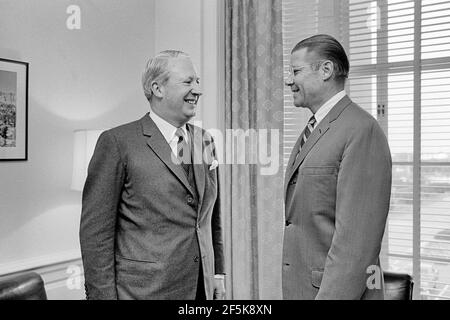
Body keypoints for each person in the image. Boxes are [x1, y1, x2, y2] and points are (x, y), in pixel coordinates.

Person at [80, 50, 225, 300]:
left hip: (201, 289)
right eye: (188, 82)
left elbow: (212, 217)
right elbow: (96, 234)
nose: (197, 90)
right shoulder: (117, 142)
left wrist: (218, 274)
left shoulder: (205, 141)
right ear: (157, 88)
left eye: (197, 82)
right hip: (143, 292)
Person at [283, 34, 392, 299]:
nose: (289, 80)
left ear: (326, 70)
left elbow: (356, 246)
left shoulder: (362, 130)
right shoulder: (316, 128)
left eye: (296, 71)